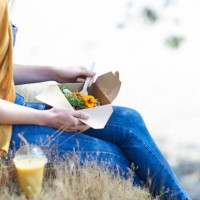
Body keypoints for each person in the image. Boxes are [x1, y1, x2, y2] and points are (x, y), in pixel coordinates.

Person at [0, 0, 191, 199]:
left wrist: (54, 73)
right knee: (118, 161)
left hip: (14, 109)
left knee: (129, 120)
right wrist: (47, 117)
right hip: (5, 134)